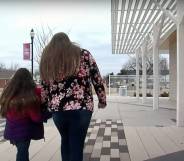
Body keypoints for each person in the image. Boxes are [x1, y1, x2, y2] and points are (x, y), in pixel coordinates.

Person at [40, 32, 107, 161]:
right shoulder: (84, 54)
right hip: (82, 107)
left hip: (58, 110)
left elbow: (44, 86)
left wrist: (43, 107)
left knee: (65, 141)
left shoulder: (47, 59)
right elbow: (97, 78)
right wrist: (102, 100)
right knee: (77, 144)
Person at [0, 68, 44, 161]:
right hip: (23, 133)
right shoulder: (29, 97)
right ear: (29, 80)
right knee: (22, 153)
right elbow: (36, 118)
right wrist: (48, 114)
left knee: (21, 151)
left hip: (11, 131)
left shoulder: (9, 93)